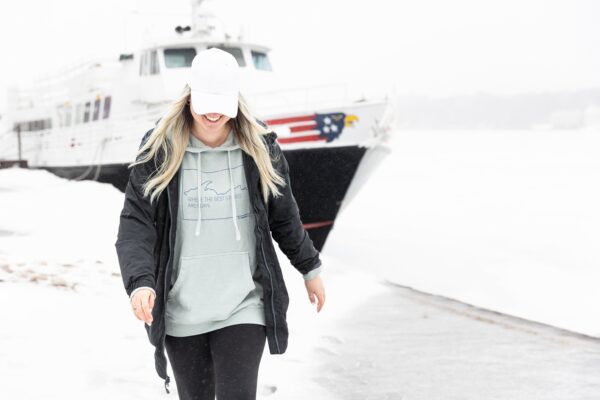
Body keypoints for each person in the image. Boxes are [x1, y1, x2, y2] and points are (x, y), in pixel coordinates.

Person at [115, 47, 326, 400]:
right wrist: (140, 283)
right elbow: (136, 224)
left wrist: (310, 267)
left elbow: (284, 215)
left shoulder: (260, 148)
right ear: (190, 96)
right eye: (206, 102)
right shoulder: (158, 151)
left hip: (243, 303)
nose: (214, 113)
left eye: (222, 103)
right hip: (182, 309)